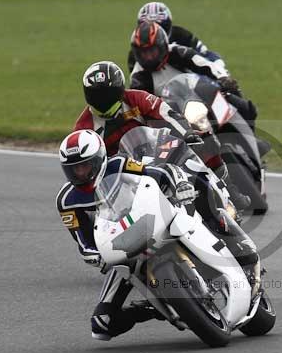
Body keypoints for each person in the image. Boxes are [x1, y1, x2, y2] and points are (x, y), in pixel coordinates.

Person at [55, 129, 263, 341]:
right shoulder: (67, 200)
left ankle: (235, 244)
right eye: (73, 169)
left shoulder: (118, 164)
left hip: (152, 217)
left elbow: (158, 172)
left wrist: (180, 184)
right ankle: (154, 308)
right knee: (102, 325)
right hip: (122, 246)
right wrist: (94, 256)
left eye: (84, 166)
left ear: (99, 159)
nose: (79, 173)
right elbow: (83, 240)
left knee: (199, 203)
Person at [78, 60, 251, 209]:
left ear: (119, 90)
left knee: (205, 139)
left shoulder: (136, 99)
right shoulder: (85, 127)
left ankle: (228, 189)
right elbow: (83, 166)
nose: (103, 101)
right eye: (97, 96)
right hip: (123, 174)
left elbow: (166, 113)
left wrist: (188, 133)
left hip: (156, 150)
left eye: (107, 95)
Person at [129, 21, 258, 126]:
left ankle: (252, 146)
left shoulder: (178, 52)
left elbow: (205, 65)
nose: (149, 57)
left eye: (152, 51)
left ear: (162, 45)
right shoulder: (138, 77)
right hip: (175, 116)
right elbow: (140, 106)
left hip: (203, 96)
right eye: (143, 53)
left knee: (246, 109)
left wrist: (223, 78)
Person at [126, 1, 223, 73]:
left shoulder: (182, 35)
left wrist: (220, 72)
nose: (155, 32)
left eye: (160, 28)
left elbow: (206, 55)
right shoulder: (136, 52)